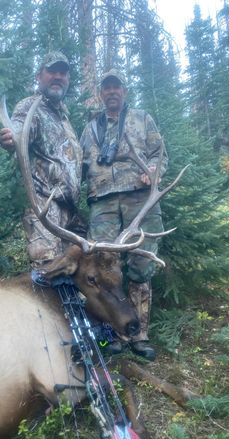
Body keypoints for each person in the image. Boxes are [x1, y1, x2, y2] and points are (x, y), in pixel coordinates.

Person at [80, 69, 168, 361]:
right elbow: (76, 162)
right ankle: (114, 335)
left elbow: (160, 153)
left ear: (124, 91)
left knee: (141, 264)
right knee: (105, 269)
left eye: (116, 87)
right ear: (101, 94)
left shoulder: (142, 119)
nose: (111, 92)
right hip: (102, 202)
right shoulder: (91, 127)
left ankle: (139, 334)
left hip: (138, 197)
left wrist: (154, 171)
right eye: (106, 88)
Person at [0, 52, 82, 267]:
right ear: (39, 76)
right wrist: (11, 138)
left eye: (62, 73)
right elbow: (18, 130)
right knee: (47, 273)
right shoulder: (30, 107)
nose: (58, 76)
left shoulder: (64, 117)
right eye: (52, 71)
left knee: (71, 278)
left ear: (68, 79)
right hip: (44, 207)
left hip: (69, 213)